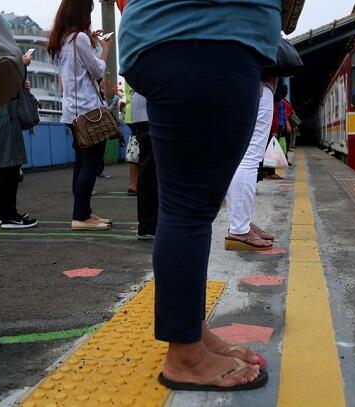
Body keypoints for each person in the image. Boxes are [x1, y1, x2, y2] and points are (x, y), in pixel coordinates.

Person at [120, 0, 280, 391]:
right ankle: (186, 356)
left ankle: (191, 330)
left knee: (187, 206)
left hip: (178, 35)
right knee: (189, 207)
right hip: (206, 34)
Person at [47, 0, 113, 231]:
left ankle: (84, 212)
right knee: (92, 164)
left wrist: (92, 46)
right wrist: (104, 48)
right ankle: (80, 216)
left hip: (72, 113)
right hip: (88, 111)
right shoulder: (79, 38)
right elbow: (96, 71)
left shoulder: (64, 39)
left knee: (82, 163)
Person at [0, 54, 38, 229]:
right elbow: (2, 80)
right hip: (3, 113)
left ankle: (1, 213)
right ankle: (9, 215)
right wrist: (22, 64)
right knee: (9, 165)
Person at [224, 79, 277, 251]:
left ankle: (239, 223)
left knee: (239, 158)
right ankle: (239, 229)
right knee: (249, 159)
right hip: (257, 85)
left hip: (240, 84)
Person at [130, 91, 158, 240]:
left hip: (144, 111)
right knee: (151, 170)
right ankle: (149, 226)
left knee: (149, 169)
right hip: (152, 110)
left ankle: (149, 225)